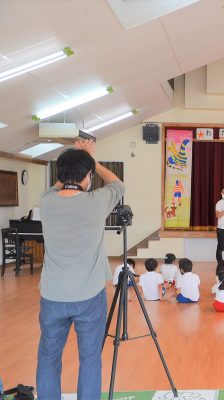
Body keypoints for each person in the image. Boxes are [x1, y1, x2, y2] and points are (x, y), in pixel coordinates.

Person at [37, 139, 125, 400]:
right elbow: (118, 184)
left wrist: (77, 161)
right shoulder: (96, 201)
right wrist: (91, 159)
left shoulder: (46, 201)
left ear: (59, 175)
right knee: (90, 359)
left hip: (52, 296)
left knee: (48, 357)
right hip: (89, 296)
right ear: (88, 176)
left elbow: (58, 185)